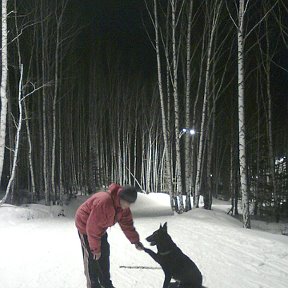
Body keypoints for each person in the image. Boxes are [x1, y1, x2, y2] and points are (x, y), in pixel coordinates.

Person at [75, 183, 144, 288]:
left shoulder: (123, 207)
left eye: (130, 203)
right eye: (127, 202)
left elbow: (127, 224)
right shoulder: (104, 202)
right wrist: (95, 250)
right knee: (92, 256)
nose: (128, 206)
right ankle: (93, 284)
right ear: (121, 197)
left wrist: (135, 241)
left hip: (100, 227)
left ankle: (105, 283)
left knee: (104, 253)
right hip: (85, 226)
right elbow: (92, 228)